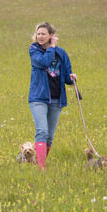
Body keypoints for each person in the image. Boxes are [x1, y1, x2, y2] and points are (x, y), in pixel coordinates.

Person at [28, 22, 77, 170]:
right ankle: (41, 167)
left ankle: (32, 159)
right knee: (42, 131)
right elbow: (44, 62)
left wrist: (72, 77)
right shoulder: (34, 50)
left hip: (56, 99)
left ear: (51, 35)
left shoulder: (61, 53)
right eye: (38, 33)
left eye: (43, 33)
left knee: (49, 136)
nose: (40, 36)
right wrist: (52, 48)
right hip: (39, 98)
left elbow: (67, 77)